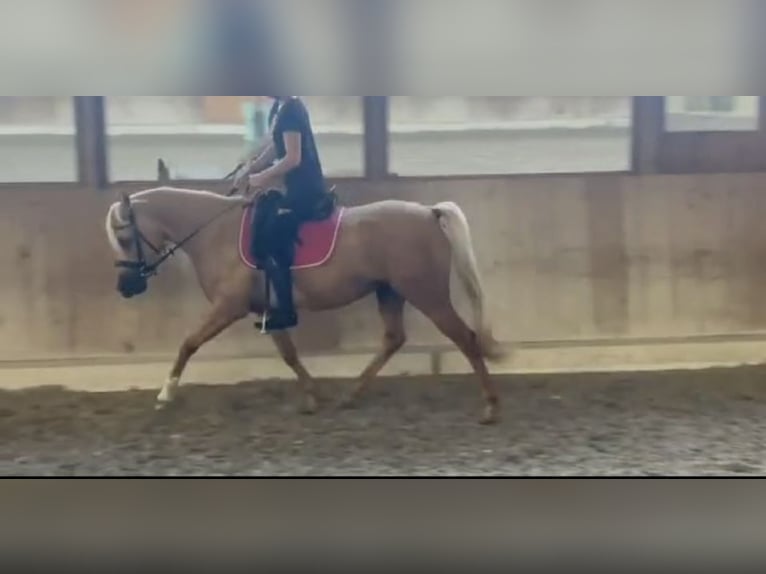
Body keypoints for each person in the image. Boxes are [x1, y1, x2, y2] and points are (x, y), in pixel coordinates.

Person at [235, 96, 333, 332]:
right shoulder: (280, 108)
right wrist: (250, 169)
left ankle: (286, 311)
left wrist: (262, 177)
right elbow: (274, 148)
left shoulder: (291, 110)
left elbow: (293, 157)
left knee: (268, 241)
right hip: (292, 188)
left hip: (305, 191)